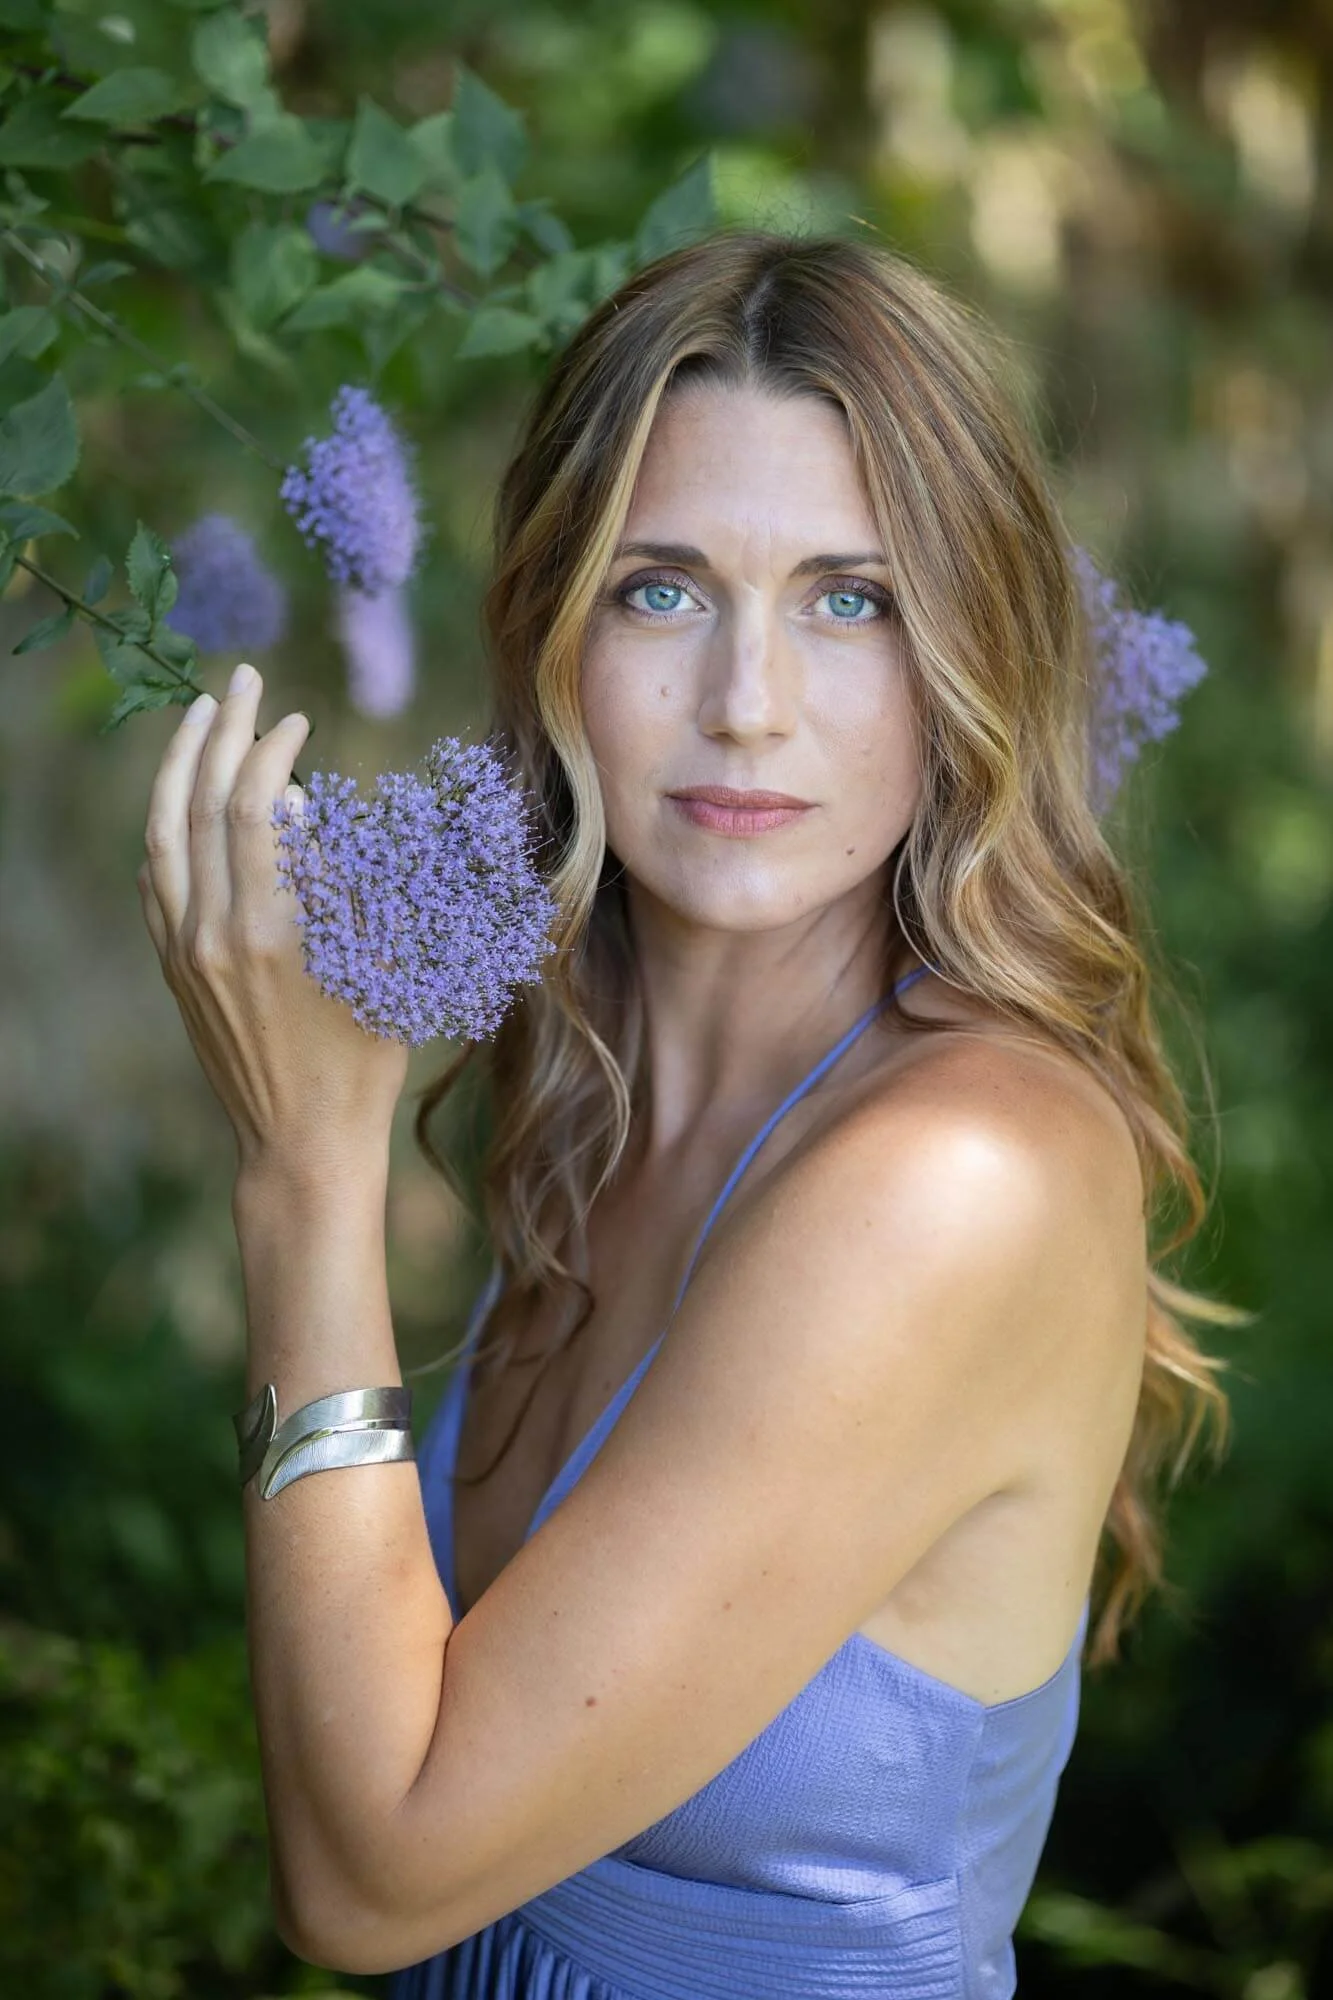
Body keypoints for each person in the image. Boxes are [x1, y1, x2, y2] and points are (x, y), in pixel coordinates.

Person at [137, 230, 1235, 1997]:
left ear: (976, 651)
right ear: (553, 630)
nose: (745, 706)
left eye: (849, 599)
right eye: (661, 589)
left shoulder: (954, 1176)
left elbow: (365, 1881)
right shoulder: (591, 1093)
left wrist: (305, 1172)